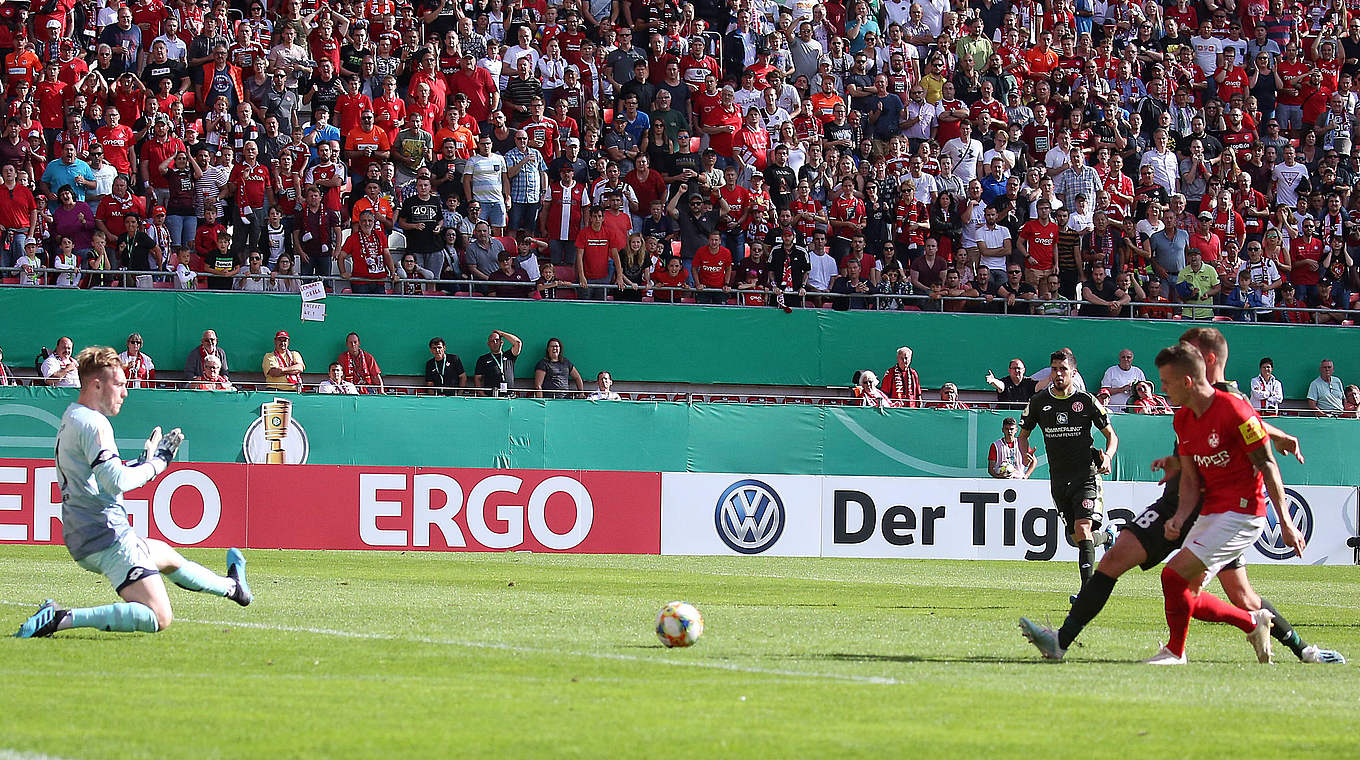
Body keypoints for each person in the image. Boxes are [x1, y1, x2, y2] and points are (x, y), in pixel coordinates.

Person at [1021, 327, 1341, 665]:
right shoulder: (1187, 408)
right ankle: (1062, 642)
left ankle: (1295, 647)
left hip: (1220, 508)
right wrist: (1180, 463)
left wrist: (1276, 442)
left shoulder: (1225, 396)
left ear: (1205, 361)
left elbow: (1245, 424)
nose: (1178, 358)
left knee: (1231, 594)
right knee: (1118, 560)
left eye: (1187, 350)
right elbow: (1213, 444)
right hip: (1183, 501)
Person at [13, 346, 250, 639]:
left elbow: (98, 477)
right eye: (120, 384)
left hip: (83, 529)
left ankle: (233, 588)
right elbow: (115, 482)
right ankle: (58, 619)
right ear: (97, 384)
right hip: (106, 533)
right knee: (159, 617)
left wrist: (138, 462)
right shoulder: (94, 423)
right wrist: (156, 463)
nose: (125, 392)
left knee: (167, 557)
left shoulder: (73, 415)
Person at [1142, 342, 1302, 665]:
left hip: (1242, 512)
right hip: (1213, 511)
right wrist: (1180, 515)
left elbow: (1267, 463)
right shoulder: (1184, 418)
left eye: (1166, 381)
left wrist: (1285, 521)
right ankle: (1255, 624)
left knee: (1173, 578)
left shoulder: (1234, 406)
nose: (1162, 388)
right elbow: (1189, 478)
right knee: (1193, 591)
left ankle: (1175, 652)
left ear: (1190, 377)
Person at [1018, 349, 1119, 595]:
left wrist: (1107, 456)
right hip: (1059, 480)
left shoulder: (1086, 401)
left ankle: (1087, 592)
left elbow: (1111, 436)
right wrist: (1023, 453)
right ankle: (1107, 538)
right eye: (1054, 369)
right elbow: (1023, 435)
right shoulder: (1039, 402)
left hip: (1086, 475)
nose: (1058, 374)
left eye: (1063, 369)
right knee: (1077, 538)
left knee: (1083, 529)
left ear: (1073, 373)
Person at [473, 329, 523, 396]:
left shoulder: (509, 355)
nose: (495, 342)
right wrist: (482, 394)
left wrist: (502, 334)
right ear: (488, 344)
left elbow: (518, 343)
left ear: (501, 342)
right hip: (491, 397)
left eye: (497, 340)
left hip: (509, 397)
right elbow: (477, 378)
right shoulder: (483, 359)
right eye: (492, 341)